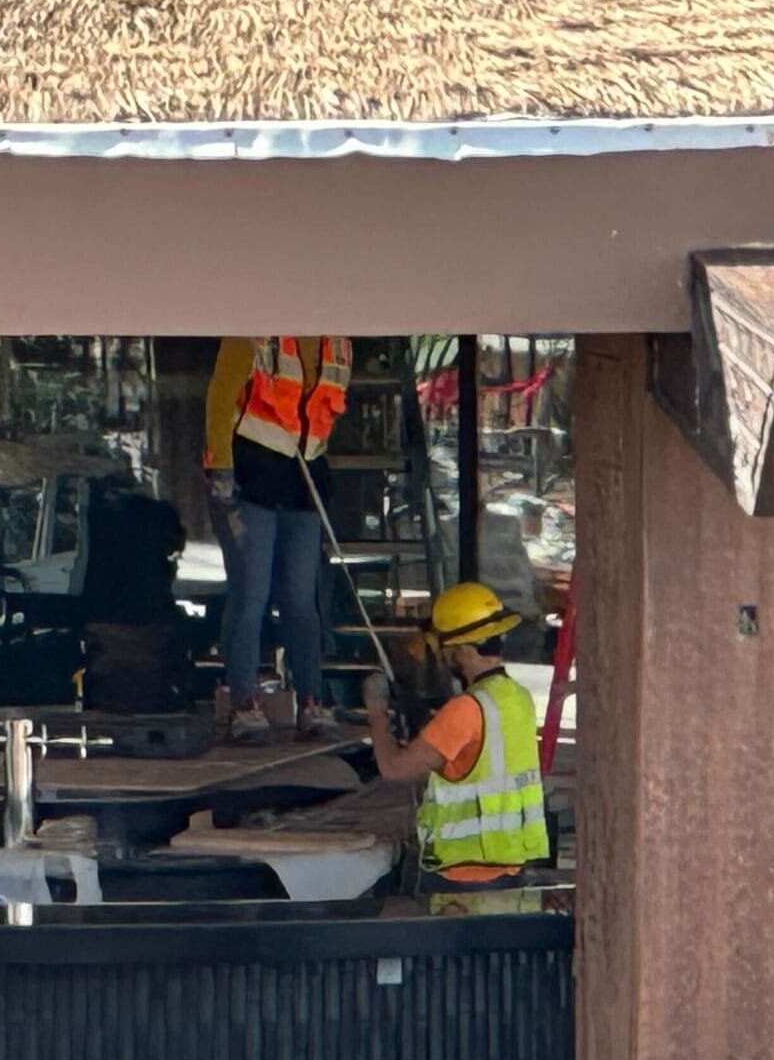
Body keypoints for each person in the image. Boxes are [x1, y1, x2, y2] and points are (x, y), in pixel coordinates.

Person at [361, 582, 546, 891]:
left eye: (447, 651)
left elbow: (393, 768)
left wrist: (376, 710)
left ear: (464, 649)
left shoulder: (465, 709)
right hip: (510, 866)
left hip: (461, 874)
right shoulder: (518, 697)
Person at [210, 337, 351, 742]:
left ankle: (311, 700)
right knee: (251, 594)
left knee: (301, 600)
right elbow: (221, 394)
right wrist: (220, 466)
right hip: (253, 472)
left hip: (303, 477)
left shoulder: (338, 343)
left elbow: (323, 410)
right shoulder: (254, 332)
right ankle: (244, 704)